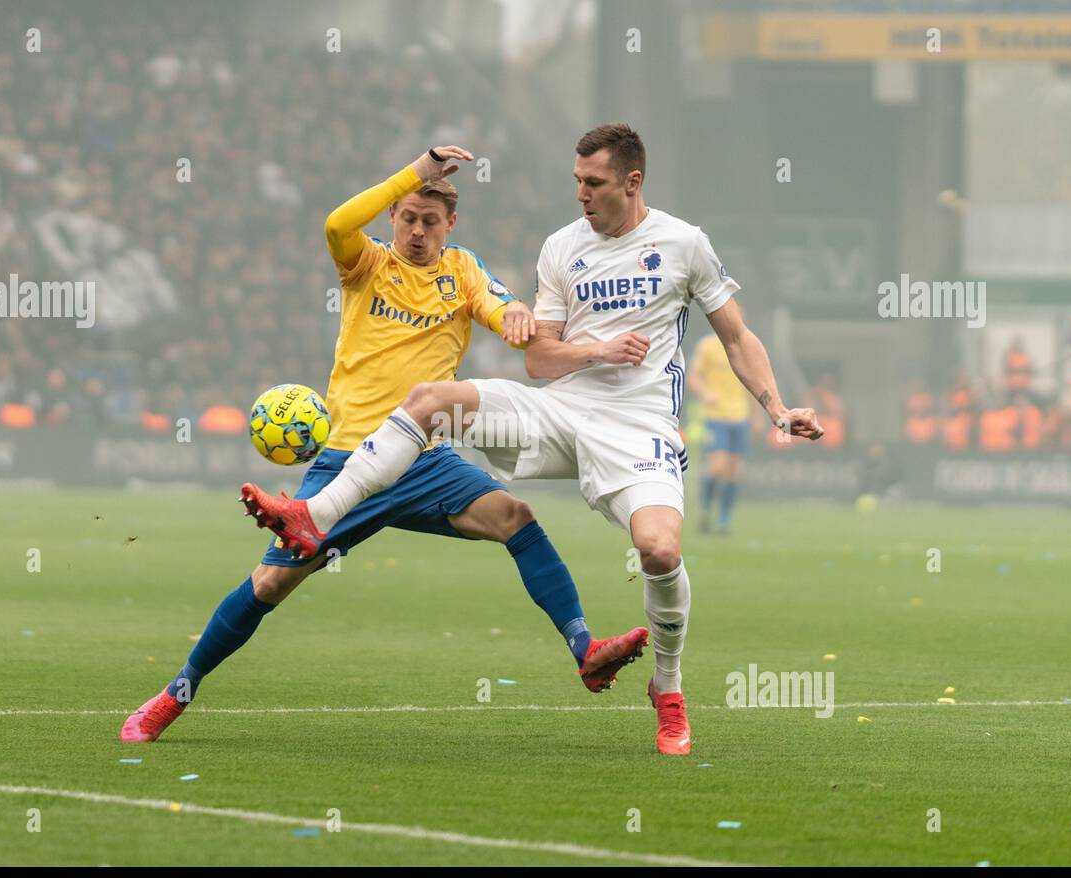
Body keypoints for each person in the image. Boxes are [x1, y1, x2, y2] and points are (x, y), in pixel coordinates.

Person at [251, 125, 823, 754]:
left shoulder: (684, 244)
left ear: (632, 183)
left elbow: (738, 336)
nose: (580, 193)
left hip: (639, 428)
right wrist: (594, 349)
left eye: (594, 183)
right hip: (559, 410)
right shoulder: (561, 248)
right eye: (577, 180)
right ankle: (314, 514)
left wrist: (775, 407)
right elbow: (539, 362)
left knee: (658, 551)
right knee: (432, 400)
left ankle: (668, 689)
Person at [121, 146, 648, 743]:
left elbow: (501, 309)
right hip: (348, 459)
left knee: (515, 517)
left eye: (430, 222)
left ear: (451, 226)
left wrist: (519, 316)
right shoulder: (364, 264)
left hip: (425, 461)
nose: (417, 231)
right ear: (393, 218)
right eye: (407, 218)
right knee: (268, 586)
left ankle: (585, 648)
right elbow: (335, 224)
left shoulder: (462, 270)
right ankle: (175, 694)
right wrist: (415, 173)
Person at [687, 333, 751, 534]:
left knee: (733, 472)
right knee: (716, 467)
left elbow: (753, 380)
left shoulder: (747, 346)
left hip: (740, 415)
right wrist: (705, 394)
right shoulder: (707, 346)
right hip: (715, 415)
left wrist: (759, 413)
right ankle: (705, 511)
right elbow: (694, 376)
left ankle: (724, 519)